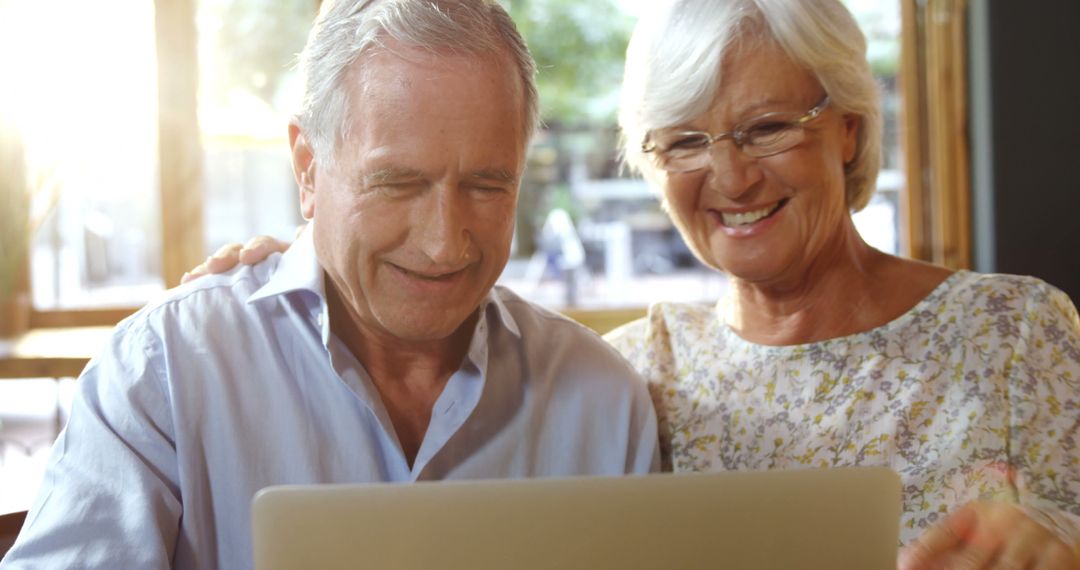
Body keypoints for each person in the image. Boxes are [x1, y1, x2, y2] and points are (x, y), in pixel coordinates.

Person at [198, 0, 1080, 567]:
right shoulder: (631, 375)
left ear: (846, 131)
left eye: (768, 127)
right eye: (685, 142)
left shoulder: (1015, 329)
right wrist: (311, 251)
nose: (731, 180)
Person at [0, 1, 658, 568]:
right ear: (308, 169)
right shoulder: (163, 372)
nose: (443, 241)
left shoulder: (604, 401)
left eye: (487, 185)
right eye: (398, 183)